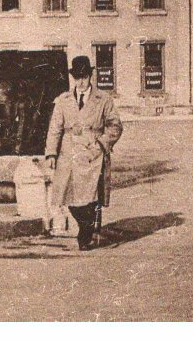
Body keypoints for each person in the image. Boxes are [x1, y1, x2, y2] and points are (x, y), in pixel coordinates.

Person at [44, 55, 123, 250]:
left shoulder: (103, 100)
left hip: (92, 154)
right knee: (67, 196)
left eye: (84, 77)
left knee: (89, 197)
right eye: (77, 78)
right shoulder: (63, 100)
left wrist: (101, 145)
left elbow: (115, 127)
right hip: (68, 154)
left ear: (90, 76)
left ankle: (86, 235)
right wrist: (51, 154)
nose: (81, 82)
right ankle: (86, 227)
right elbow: (55, 128)